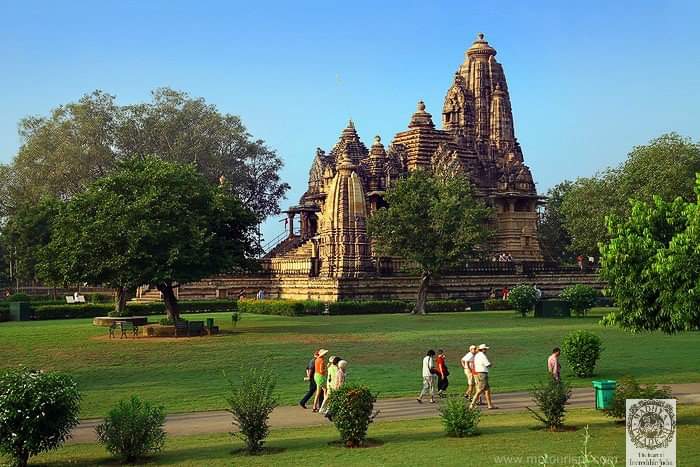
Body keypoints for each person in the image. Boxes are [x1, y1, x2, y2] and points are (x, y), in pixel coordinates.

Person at [470, 344, 496, 409]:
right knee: (480, 389)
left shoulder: (477, 355)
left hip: (479, 373)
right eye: (485, 349)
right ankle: (472, 405)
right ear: (483, 349)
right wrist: (491, 364)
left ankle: (490, 405)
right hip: (483, 373)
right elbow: (487, 364)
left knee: (487, 390)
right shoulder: (482, 355)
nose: (486, 350)